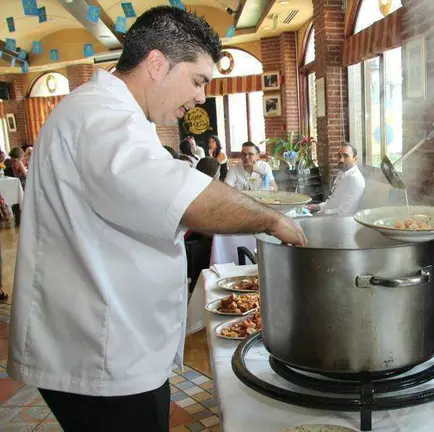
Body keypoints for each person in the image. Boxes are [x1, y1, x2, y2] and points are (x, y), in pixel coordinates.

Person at [7, 7, 306, 432]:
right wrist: (271, 220)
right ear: (156, 63)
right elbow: (181, 196)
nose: (202, 97)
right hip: (103, 354)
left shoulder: (117, 114)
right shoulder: (101, 116)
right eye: (198, 80)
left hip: (110, 341)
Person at [308, 144, 365, 216]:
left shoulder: (355, 179)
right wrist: (313, 207)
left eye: (346, 156)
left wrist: (318, 215)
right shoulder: (342, 173)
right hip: (326, 216)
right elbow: (333, 202)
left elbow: (344, 212)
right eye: (339, 156)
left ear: (355, 159)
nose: (341, 160)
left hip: (336, 222)